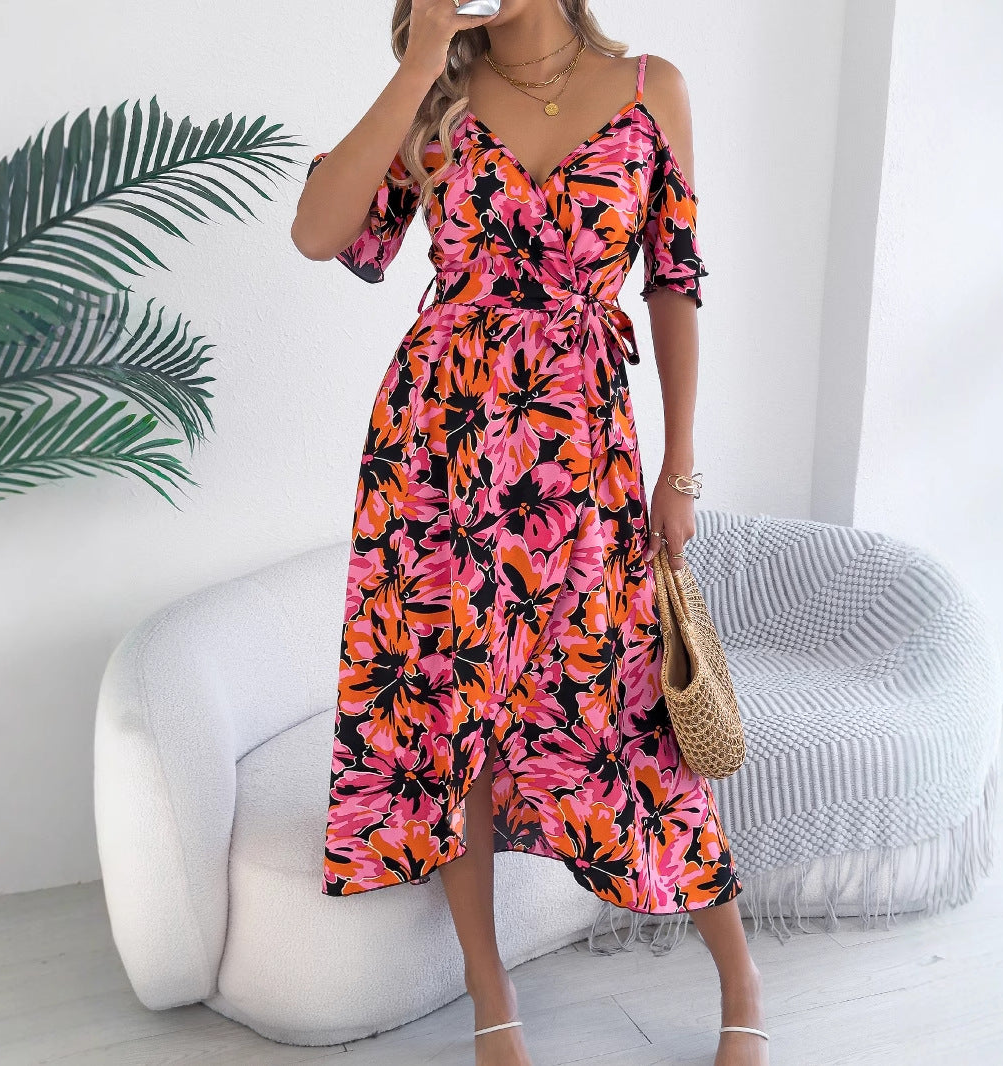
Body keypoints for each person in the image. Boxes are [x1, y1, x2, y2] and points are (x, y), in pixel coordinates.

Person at [292, 2, 768, 1063]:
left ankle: (740, 973)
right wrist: (419, 62)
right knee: (452, 710)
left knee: (631, 714)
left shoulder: (651, 87)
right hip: (438, 457)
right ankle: (489, 989)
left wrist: (679, 466)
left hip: (584, 458)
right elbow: (322, 234)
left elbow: (675, 282)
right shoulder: (437, 96)